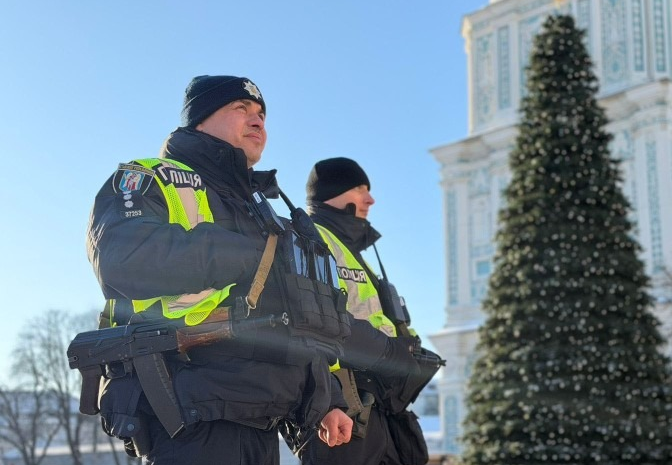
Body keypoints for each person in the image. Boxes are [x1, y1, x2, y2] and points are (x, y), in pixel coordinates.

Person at [86, 75, 352, 465]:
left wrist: (328, 399)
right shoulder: (149, 176)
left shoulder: (266, 212)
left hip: (262, 416)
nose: (258, 121)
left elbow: (291, 320)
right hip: (190, 413)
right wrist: (253, 253)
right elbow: (122, 259)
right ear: (200, 120)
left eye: (261, 114)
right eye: (241, 109)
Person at [300, 157, 439, 465]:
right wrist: (392, 352)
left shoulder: (351, 249)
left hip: (382, 404)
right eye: (360, 189)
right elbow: (317, 323)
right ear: (333, 192)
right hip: (345, 410)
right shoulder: (311, 238)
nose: (370, 199)